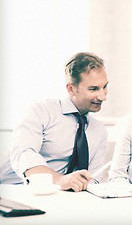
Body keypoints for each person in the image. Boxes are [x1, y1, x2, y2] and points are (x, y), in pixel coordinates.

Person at [0, 52, 109, 192]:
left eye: (104, 86)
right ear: (71, 88)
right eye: (93, 89)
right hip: (16, 192)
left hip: (62, 198)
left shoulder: (99, 131)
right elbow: (23, 153)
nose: (102, 96)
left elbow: (94, 179)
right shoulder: (41, 111)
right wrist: (59, 180)